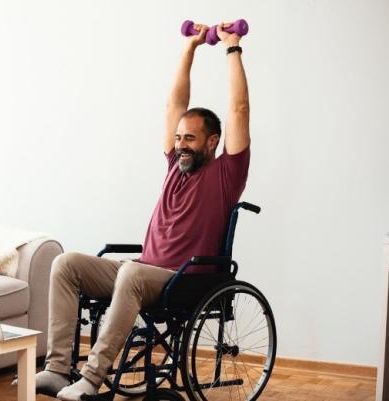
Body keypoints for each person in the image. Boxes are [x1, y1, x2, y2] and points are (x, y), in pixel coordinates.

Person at [36, 21, 251, 401]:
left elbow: (238, 108)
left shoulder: (226, 174)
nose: (180, 144)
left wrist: (232, 48)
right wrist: (190, 48)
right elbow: (174, 104)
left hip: (184, 278)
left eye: (190, 138)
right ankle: (55, 370)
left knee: (132, 273)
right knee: (66, 264)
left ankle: (91, 378)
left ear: (213, 141)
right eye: (179, 137)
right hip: (141, 271)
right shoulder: (174, 165)